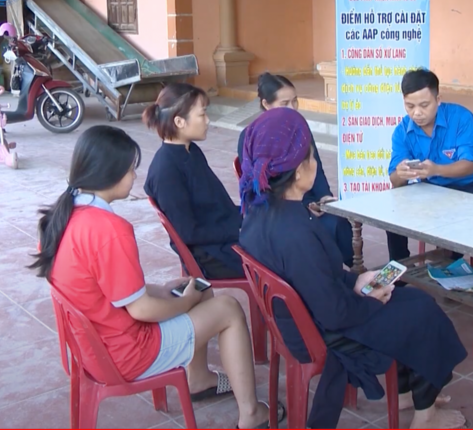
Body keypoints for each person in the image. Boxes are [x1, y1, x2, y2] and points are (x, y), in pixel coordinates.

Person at [29, 125, 282, 428]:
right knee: (228, 309)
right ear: (110, 173)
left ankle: (199, 379)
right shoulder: (109, 229)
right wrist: (181, 303)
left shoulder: (61, 217)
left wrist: (162, 291)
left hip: (91, 348)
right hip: (127, 352)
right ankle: (251, 415)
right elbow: (142, 310)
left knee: (198, 289)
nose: (134, 176)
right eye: (130, 169)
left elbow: (104, 287)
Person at [238, 107, 469, 429]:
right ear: (300, 170)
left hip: (304, 316)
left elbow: (313, 279)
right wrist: (367, 298)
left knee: (408, 300)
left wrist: (356, 280)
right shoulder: (295, 233)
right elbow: (334, 311)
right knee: (423, 312)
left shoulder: (259, 211)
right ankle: (425, 415)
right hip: (322, 329)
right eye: (312, 156)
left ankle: (406, 392)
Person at [237, 73, 355, 268]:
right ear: (266, 104)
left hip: (308, 199)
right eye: (285, 103)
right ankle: (328, 273)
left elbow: (315, 166)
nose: (292, 108)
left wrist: (324, 197)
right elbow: (260, 183)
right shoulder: (253, 135)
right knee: (313, 231)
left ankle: (349, 268)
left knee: (338, 220)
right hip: (279, 205)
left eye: (295, 101)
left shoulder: (299, 128)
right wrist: (301, 207)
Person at [387, 68, 473, 261]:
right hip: (429, 189)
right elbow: (394, 179)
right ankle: (400, 268)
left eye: (424, 105)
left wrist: (436, 169)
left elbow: (469, 165)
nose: (417, 113)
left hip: (469, 187)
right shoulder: (402, 131)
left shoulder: (461, 118)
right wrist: (401, 174)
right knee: (393, 212)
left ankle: (452, 270)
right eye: (410, 106)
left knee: (453, 229)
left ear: (438, 99)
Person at [144, 83, 244, 279]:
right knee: (287, 254)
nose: (207, 121)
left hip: (224, 235)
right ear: (180, 122)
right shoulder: (167, 171)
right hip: (212, 254)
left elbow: (215, 204)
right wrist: (239, 229)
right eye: (202, 115)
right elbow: (188, 233)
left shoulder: (190, 151)